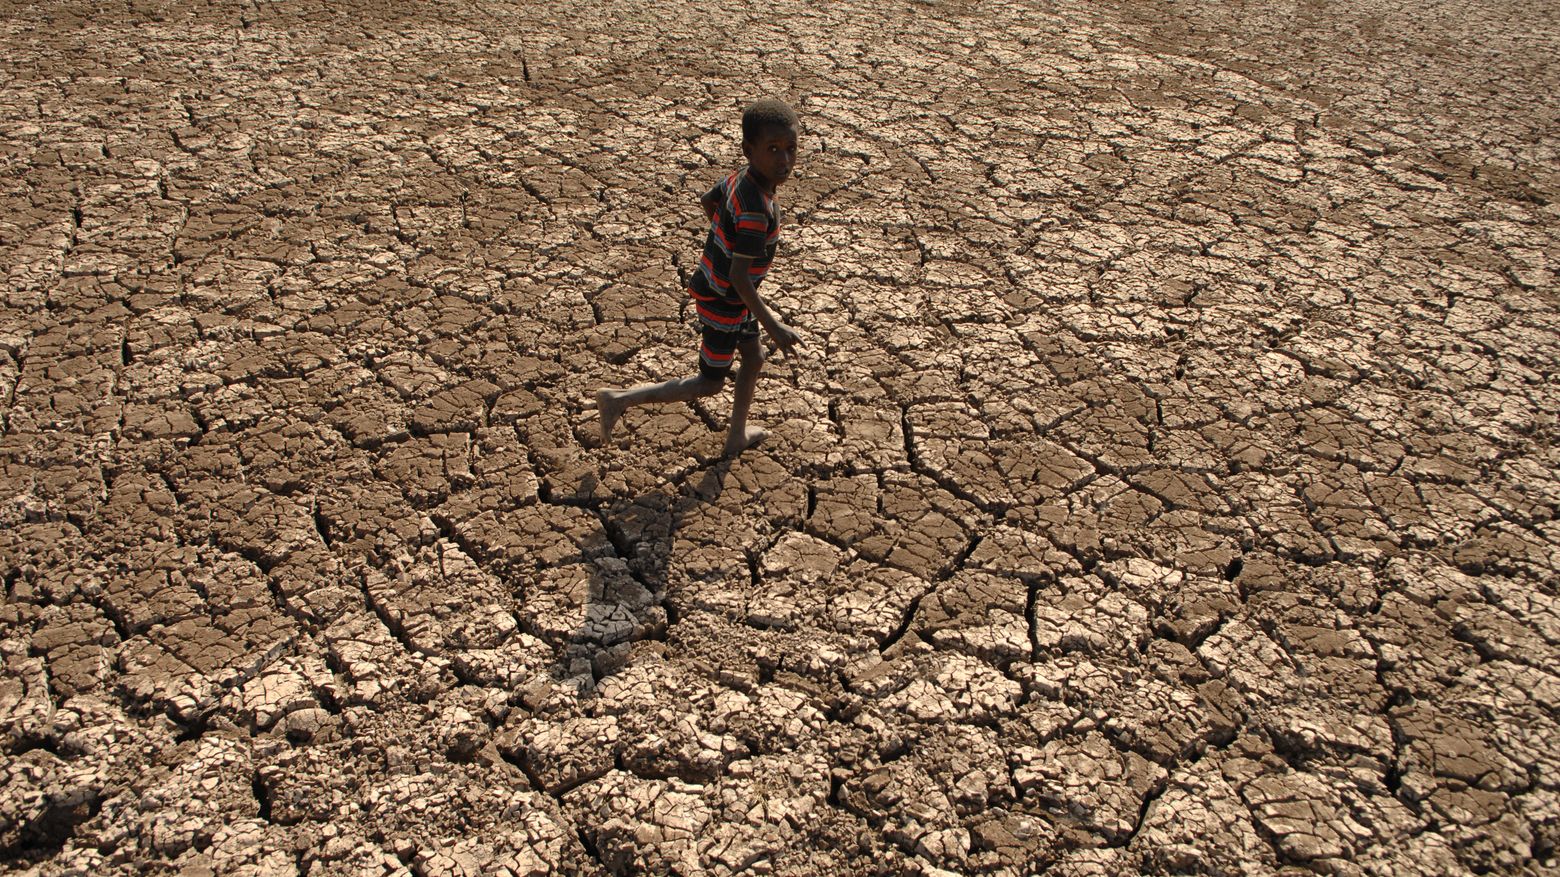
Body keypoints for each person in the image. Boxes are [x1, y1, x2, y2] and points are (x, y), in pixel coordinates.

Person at [593, 98, 803, 457]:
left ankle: (736, 435)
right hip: (725, 301)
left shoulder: (743, 177)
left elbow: (710, 199)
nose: (783, 160)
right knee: (709, 383)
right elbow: (739, 275)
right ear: (749, 150)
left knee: (753, 359)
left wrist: (723, 238)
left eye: (790, 148)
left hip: (730, 296)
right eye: (772, 150)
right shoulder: (756, 210)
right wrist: (773, 326)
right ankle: (618, 399)